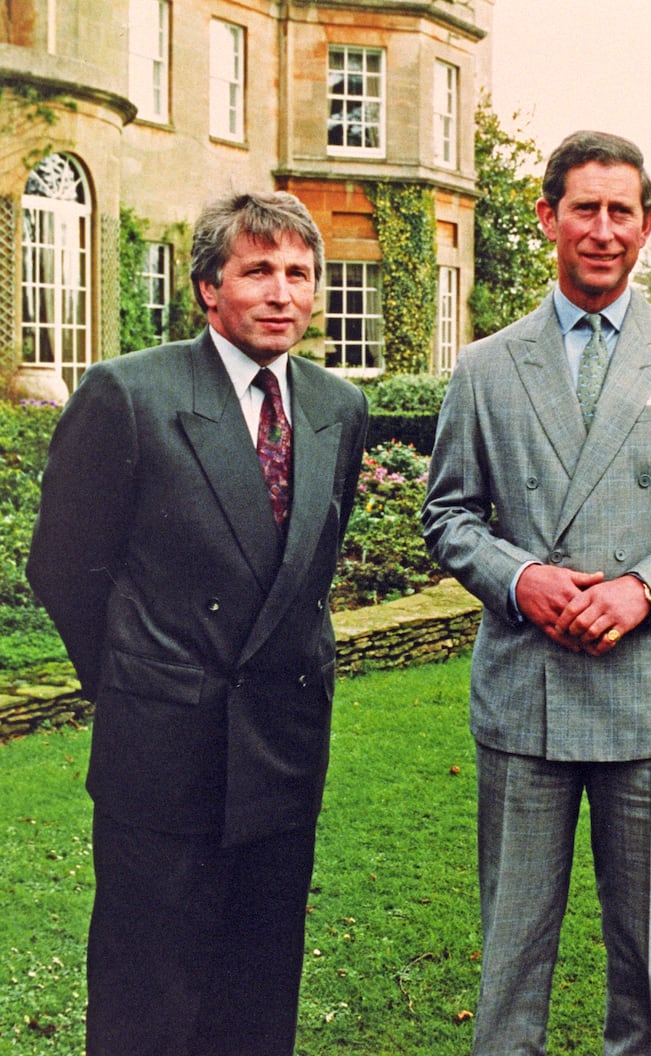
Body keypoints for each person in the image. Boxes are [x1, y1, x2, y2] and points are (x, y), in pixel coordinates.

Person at [421, 131, 651, 1056]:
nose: (603, 230)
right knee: (512, 957)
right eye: (585, 208)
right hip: (524, 696)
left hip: (648, 699)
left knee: (648, 963)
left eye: (622, 211)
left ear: (648, 226)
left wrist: (642, 592)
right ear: (548, 218)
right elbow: (448, 515)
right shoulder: (487, 365)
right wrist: (520, 578)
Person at [27, 190, 369, 1056]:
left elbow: (307, 568)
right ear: (208, 288)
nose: (283, 293)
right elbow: (65, 566)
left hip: (284, 746)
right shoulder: (129, 395)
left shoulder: (338, 407)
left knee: (258, 991)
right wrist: (142, 680)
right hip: (162, 751)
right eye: (258, 271)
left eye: (300, 273)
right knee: (150, 996)